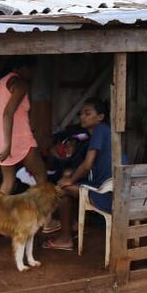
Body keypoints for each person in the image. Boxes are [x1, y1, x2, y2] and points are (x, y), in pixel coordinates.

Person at [43, 97, 114, 251]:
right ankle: (73, 224)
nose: (82, 117)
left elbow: (87, 165)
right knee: (68, 174)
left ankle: (65, 238)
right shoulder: (103, 131)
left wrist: (70, 180)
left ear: (100, 117)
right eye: (81, 114)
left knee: (62, 189)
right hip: (110, 186)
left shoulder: (100, 130)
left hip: (106, 193)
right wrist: (71, 176)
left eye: (87, 114)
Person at [0, 56, 50, 196]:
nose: (32, 74)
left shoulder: (1, 83)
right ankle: (42, 216)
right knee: (42, 178)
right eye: (32, 70)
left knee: (8, 181)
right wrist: (8, 145)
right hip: (18, 138)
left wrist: (4, 145)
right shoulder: (20, 84)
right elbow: (7, 114)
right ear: (25, 68)